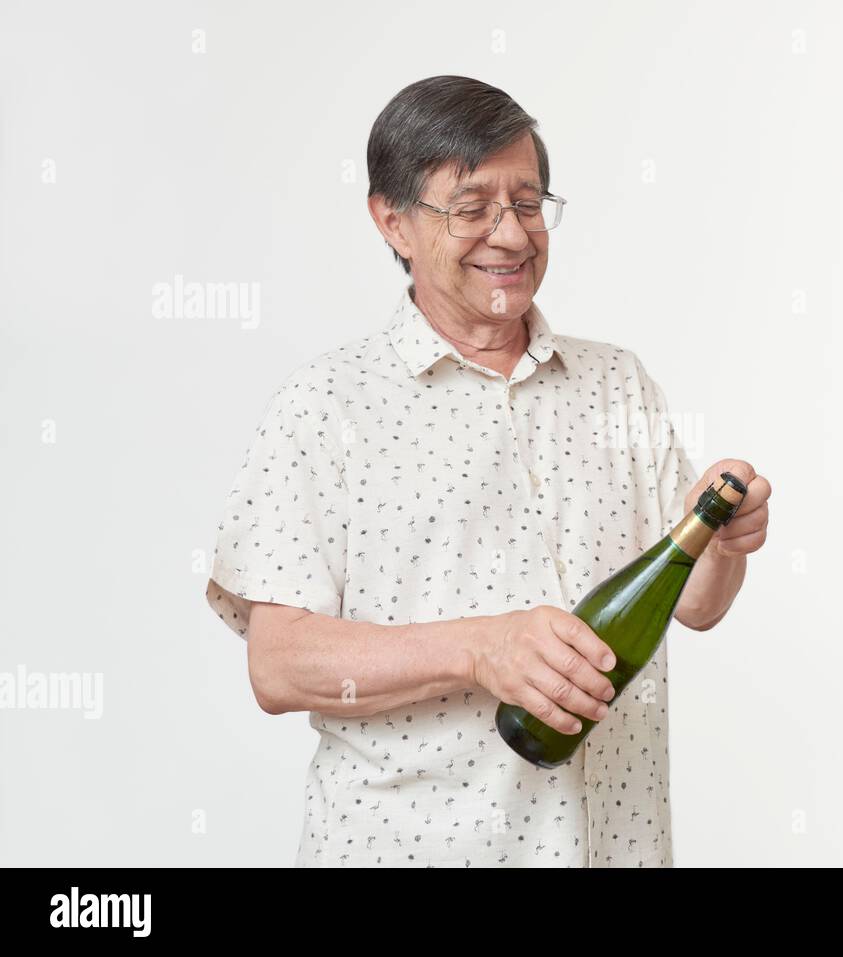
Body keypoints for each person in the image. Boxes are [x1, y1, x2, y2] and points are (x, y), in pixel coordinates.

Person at [204, 75, 772, 867]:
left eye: (530, 204)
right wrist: (481, 648)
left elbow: (700, 605)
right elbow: (278, 662)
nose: (510, 234)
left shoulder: (619, 384)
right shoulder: (324, 404)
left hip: (617, 848)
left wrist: (724, 541)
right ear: (392, 221)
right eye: (472, 209)